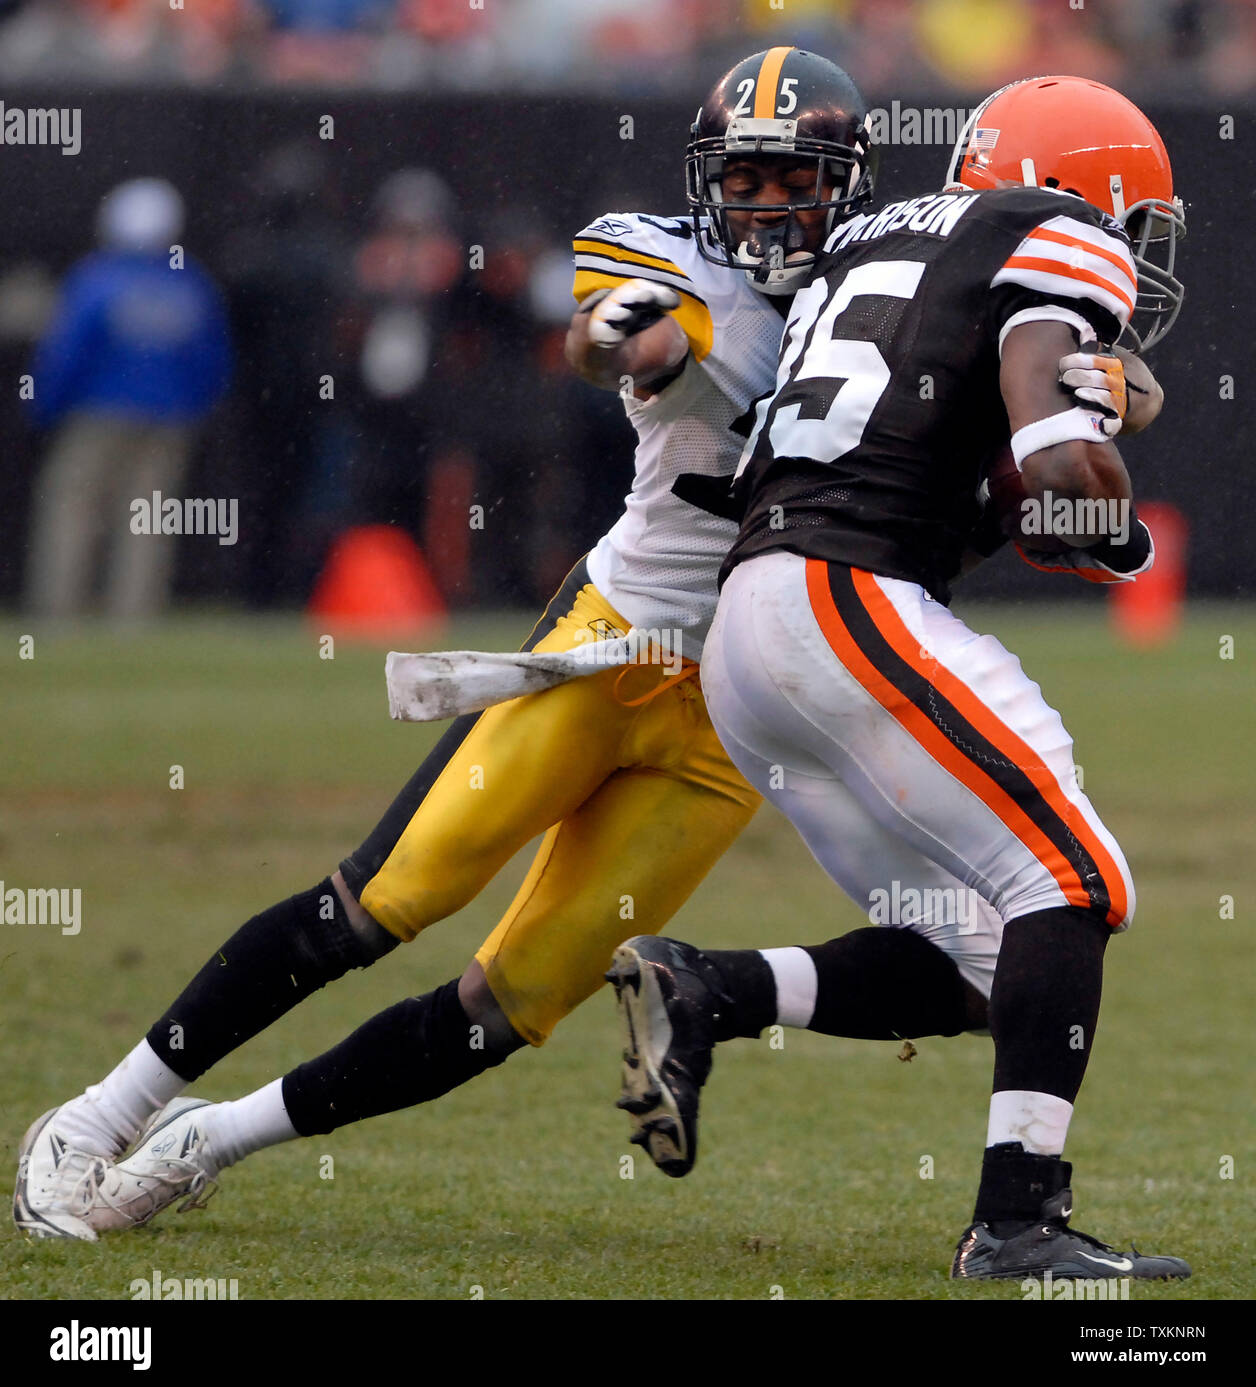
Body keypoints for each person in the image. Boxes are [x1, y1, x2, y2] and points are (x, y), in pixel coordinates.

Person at [12, 54, 1150, 1245]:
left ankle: (212, 1135)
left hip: (732, 703)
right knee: (381, 900)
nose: (768, 206)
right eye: (745, 177)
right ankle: (93, 1118)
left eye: (795, 179)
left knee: (507, 1005)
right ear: (706, 182)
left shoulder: (879, 266)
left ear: (848, 184)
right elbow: (628, 344)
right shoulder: (669, 253)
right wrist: (623, 344)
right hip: (617, 646)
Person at [606, 75, 1191, 1282]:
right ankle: (1017, 1219)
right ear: (1084, 198)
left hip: (753, 634)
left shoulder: (869, 246)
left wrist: (1084, 511)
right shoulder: (1050, 237)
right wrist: (1096, 469)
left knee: (982, 951)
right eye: (1129, 222)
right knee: (1070, 879)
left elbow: (980, 501)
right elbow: (1052, 468)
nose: (1131, 254)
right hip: (843, 596)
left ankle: (707, 987)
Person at [24, 178, 232, 620]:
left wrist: (44, 406)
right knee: (148, 519)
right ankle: (133, 616)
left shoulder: (96, 278)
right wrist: (193, 405)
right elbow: (210, 359)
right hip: (167, 418)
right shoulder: (188, 283)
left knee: (72, 508)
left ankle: (58, 611)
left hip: (97, 414)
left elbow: (65, 353)